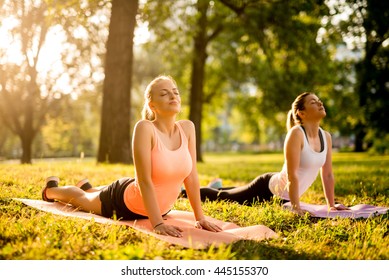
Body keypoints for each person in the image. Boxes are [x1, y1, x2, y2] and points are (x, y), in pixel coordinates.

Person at [42, 75, 222, 237]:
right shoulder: (145, 128)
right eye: (164, 94)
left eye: (175, 92)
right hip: (126, 203)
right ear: (152, 105)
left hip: (157, 206)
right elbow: (144, 181)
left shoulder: (188, 128)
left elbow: (191, 177)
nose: (173, 96)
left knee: (92, 194)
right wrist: (157, 223)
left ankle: (89, 187)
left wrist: (200, 218)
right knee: (82, 200)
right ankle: (51, 190)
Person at [182, 92, 349, 215]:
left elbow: (327, 174)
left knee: (235, 191)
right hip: (268, 190)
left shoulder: (326, 136)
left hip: (285, 195)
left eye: (319, 101)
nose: (320, 103)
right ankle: (182, 192)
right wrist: (296, 207)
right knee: (223, 196)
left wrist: (331, 204)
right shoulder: (296, 134)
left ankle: (214, 185)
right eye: (313, 102)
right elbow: (293, 176)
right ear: (302, 113)